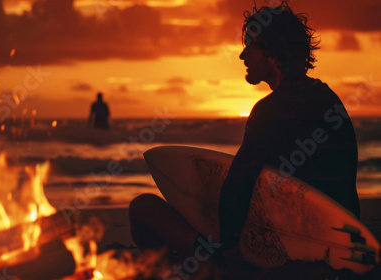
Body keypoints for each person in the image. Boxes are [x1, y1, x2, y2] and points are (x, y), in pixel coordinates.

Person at [129, 1, 360, 268]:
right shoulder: (329, 100)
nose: (242, 56)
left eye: (250, 46)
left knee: (143, 207)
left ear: (273, 54)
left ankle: (206, 268)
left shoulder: (270, 110)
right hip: (336, 241)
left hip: (278, 251)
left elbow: (237, 185)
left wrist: (228, 250)